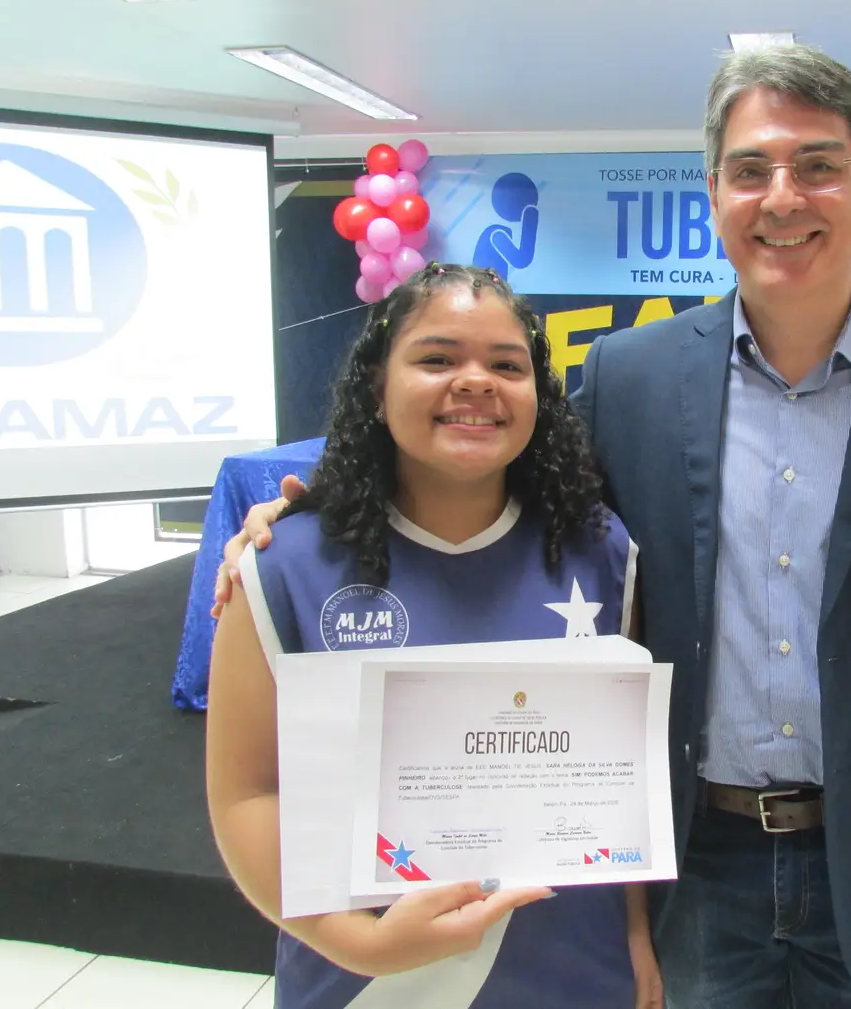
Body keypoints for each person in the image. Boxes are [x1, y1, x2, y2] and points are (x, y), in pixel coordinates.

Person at [216, 46, 851, 1009]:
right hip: (693, 855)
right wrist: (314, 509)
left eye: (817, 166)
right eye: (750, 169)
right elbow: (498, 476)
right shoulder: (632, 377)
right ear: (714, 194)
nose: (781, 198)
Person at [205, 262, 662, 1009]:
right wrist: (361, 945)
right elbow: (247, 796)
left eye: (507, 366)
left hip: (575, 971)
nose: (476, 382)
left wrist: (635, 933)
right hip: (363, 980)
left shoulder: (601, 551)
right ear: (376, 390)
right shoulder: (285, 563)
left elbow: (626, 786)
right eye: (437, 358)